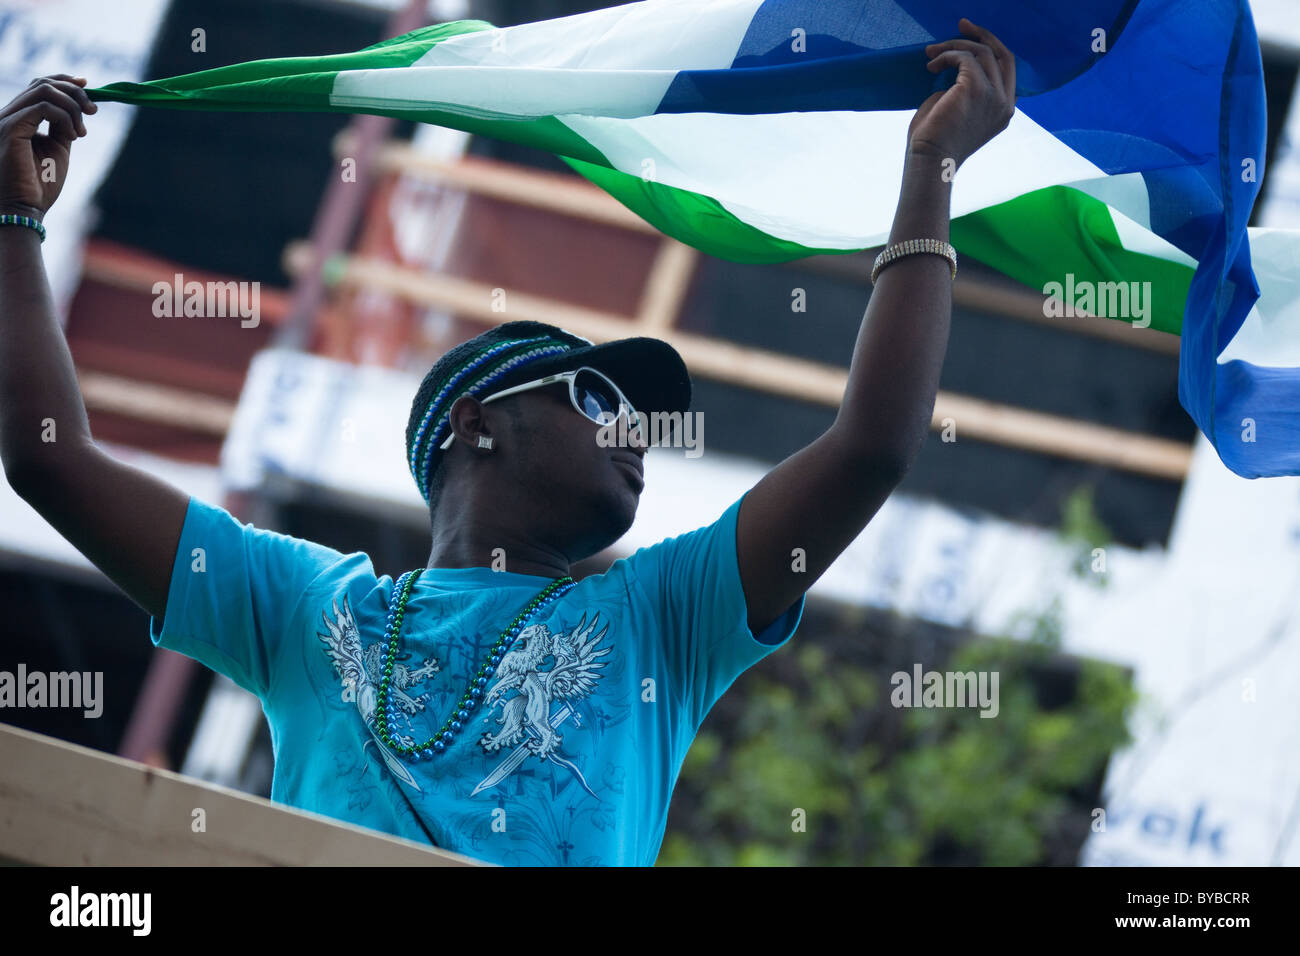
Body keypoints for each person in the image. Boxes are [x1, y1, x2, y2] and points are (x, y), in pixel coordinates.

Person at [0, 19, 1016, 866]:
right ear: (476, 421)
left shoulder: (662, 617)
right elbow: (50, 458)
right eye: (591, 393)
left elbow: (873, 446)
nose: (632, 427)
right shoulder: (307, 608)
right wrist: (13, 222)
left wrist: (928, 171)